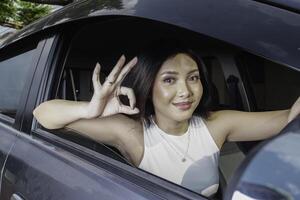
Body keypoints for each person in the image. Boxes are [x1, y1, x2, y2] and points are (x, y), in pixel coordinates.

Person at [33, 40, 300, 197]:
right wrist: (88, 110)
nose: (185, 91)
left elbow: (289, 118)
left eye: (193, 78)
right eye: (169, 80)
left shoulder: (216, 124)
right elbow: (42, 113)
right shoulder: (131, 132)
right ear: (149, 85)